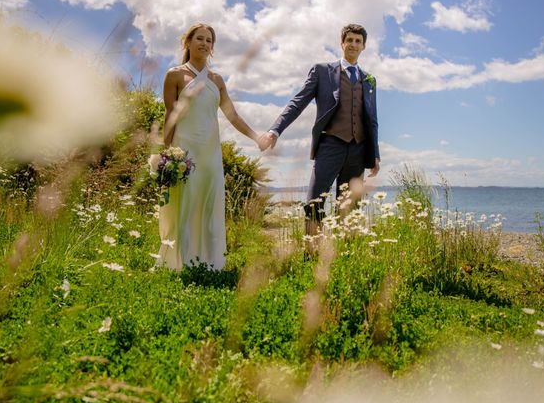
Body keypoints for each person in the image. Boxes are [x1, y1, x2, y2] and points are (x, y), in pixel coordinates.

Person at [258, 23, 380, 235]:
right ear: (342, 43)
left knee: (349, 208)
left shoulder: (369, 80)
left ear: (364, 46)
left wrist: (375, 154)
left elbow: (372, 119)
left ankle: (342, 256)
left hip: (358, 150)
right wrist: (275, 130)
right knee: (314, 201)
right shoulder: (322, 71)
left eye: (358, 41)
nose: (353, 44)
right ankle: (311, 252)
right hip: (330, 145)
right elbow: (298, 102)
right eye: (349, 40)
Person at [159, 23, 261, 270]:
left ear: (212, 47)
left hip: (210, 152)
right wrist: (165, 154)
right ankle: (181, 262)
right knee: (185, 203)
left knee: (210, 202)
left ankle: (210, 263)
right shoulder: (174, 75)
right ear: (188, 42)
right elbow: (170, 117)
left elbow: (232, 115)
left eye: (209, 40)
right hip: (184, 151)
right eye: (199, 38)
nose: (204, 43)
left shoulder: (217, 80)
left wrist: (256, 137)